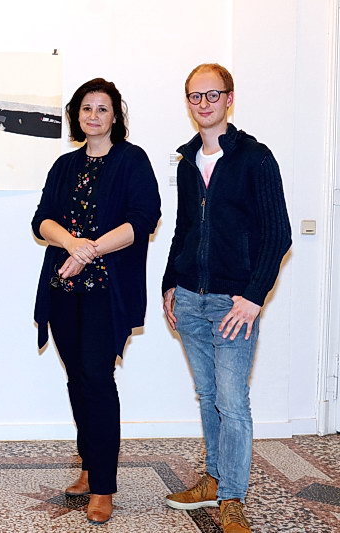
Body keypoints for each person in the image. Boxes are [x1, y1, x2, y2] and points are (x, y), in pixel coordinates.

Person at [162, 64, 291, 533]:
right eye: (195, 96)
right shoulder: (187, 161)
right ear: (187, 102)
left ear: (230, 98)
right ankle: (214, 479)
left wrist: (253, 298)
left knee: (233, 403)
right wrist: (169, 283)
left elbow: (278, 234)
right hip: (190, 300)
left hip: (233, 305)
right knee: (209, 396)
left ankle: (232, 497)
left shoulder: (256, 158)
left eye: (212, 95)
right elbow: (183, 228)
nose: (204, 104)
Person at [32, 78, 161, 524]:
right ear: (76, 115)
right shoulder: (64, 165)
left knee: (98, 379)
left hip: (107, 292)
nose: (93, 115)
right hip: (63, 290)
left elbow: (143, 220)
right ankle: (89, 466)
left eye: (102, 108)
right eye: (86, 108)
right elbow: (41, 220)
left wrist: (88, 252)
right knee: (78, 380)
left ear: (115, 116)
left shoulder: (132, 160)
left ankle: (104, 486)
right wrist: (72, 244)